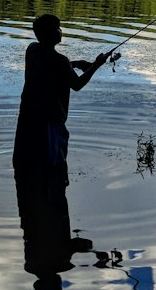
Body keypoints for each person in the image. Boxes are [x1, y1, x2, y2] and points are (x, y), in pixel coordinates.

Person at [12, 13, 113, 186]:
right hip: (49, 123)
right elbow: (77, 84)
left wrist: (74, 64)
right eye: (57, 28)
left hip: (28, 119)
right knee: (53, 170)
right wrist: (96, 64)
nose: (60, 31)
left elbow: (49, 66)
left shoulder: (32, 50)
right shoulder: (60, 61)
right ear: (50, 33)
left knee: (27, 166)